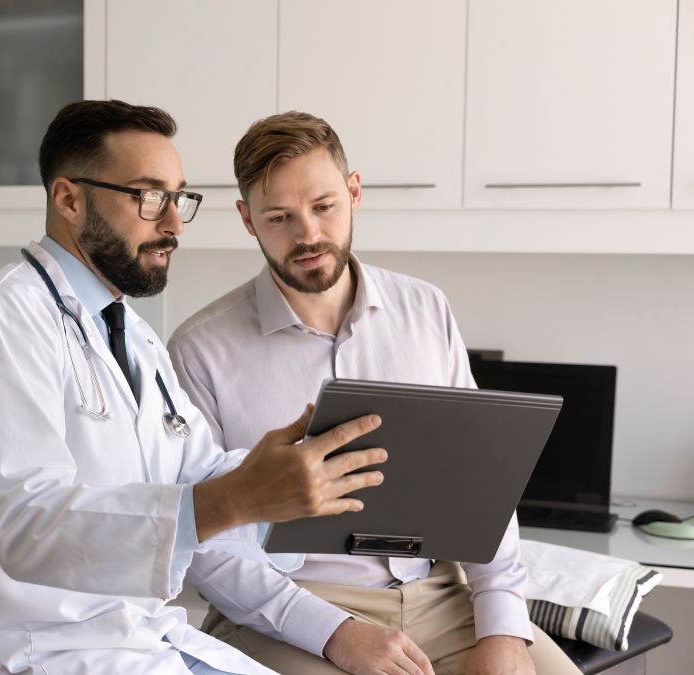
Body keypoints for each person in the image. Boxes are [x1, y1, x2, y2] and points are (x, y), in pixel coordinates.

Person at [0, 100, 389, 674]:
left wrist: (291, 472)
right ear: (68, 198)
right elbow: (28, 525)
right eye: (149, 197)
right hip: (27, 652)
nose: (173, 224)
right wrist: (239, 496)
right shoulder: (3, 317)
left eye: (179, 198)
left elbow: (196, 473)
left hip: (133, 641)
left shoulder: (132, 335)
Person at [168, 111, 582, 675]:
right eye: (279, 217)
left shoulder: (426, 309)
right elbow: (206, 543)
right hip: (287, 611)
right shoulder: (199, 349)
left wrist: (504, 626)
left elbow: (480, 483)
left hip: (439, 595)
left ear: (354, 191)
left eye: (324, 206)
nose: (307, 234)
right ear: (247, 220)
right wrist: (336, 633)